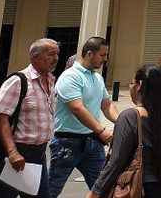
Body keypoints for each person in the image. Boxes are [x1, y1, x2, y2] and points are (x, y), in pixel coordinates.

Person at [86, 65, 161, 198]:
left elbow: (116, 161)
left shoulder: (129, 117)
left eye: (131, 83)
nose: (130, 87)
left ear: (139, 85)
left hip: (135, 189)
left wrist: (95, 192)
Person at [0, 38, 60, 198]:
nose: (56, 58)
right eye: (51, 54)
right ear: (36, 57)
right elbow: (0, 118)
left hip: (38, 153)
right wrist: (13, 152)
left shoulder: (50, 80)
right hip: (16, 153)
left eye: (57, 54)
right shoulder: (18, 81)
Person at [49, 36, 119, 198]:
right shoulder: (70, 77)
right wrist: (101, 130)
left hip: (93, 143)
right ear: (89, 54)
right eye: (102, 55)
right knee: (51, 189)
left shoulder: (97, 77)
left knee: (105, 187)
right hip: (68, 143)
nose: (105, 59)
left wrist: (122, 121)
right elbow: (77, 108)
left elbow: (107, 105)